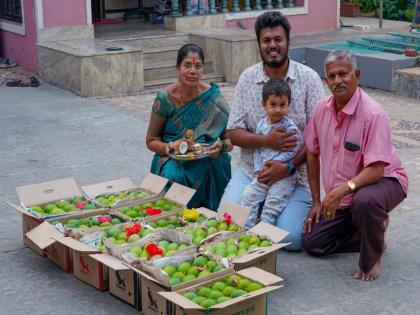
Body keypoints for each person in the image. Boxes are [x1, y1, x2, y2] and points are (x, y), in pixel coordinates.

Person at [221, 11, 325, 250]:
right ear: (259, 44)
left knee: (292, 239)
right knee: (228, 222)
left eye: (278, 39)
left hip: (295, 176)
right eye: (266, 40)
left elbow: (317, 139)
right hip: (252, 172)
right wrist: (266, 139)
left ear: (288, 41)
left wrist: (287, 166)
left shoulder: (308, 79)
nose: (272, 45)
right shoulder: (248, 79)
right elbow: (233, 133)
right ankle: (258, 213)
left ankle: (266, 215)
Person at [302, 50, 408, 281]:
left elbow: (377, 169)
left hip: (385, 181)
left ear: (357, 75)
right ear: (326, 80)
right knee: (312, 242)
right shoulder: (322, 109)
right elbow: (311, 151)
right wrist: (317, 201)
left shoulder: (373, 114)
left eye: (343, 74)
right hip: (346, 195)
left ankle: (372, 258)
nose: (337, 81)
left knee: (365, 201)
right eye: (331, 76)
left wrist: (340, 191)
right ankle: (373, 230)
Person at [146, 43, 232, 210]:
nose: (193, 71)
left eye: (198, 66)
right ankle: (175, 216)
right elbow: (151, 141)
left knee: (219, 163)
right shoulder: (164, 99)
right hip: (173, 157)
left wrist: (220, 146)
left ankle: (212, 217)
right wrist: (169, 147)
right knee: (173, 174)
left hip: (207, 157)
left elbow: (230, 141)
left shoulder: (213, 97)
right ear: (178, 68)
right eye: (187, 65)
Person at [241, 79, 302, 229]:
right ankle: (247, 229)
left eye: (282, 105)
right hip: (263, 172)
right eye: (273, 104)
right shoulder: (262, 125)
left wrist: (276, 163)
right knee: (248, 195)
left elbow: (294, 149)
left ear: (289, 104)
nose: (277, 110)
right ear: (264, 105)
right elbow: (258, 149)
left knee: (271, 207)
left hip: (284, 176)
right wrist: (259, 169)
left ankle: (264, 236)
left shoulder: (289, 127)